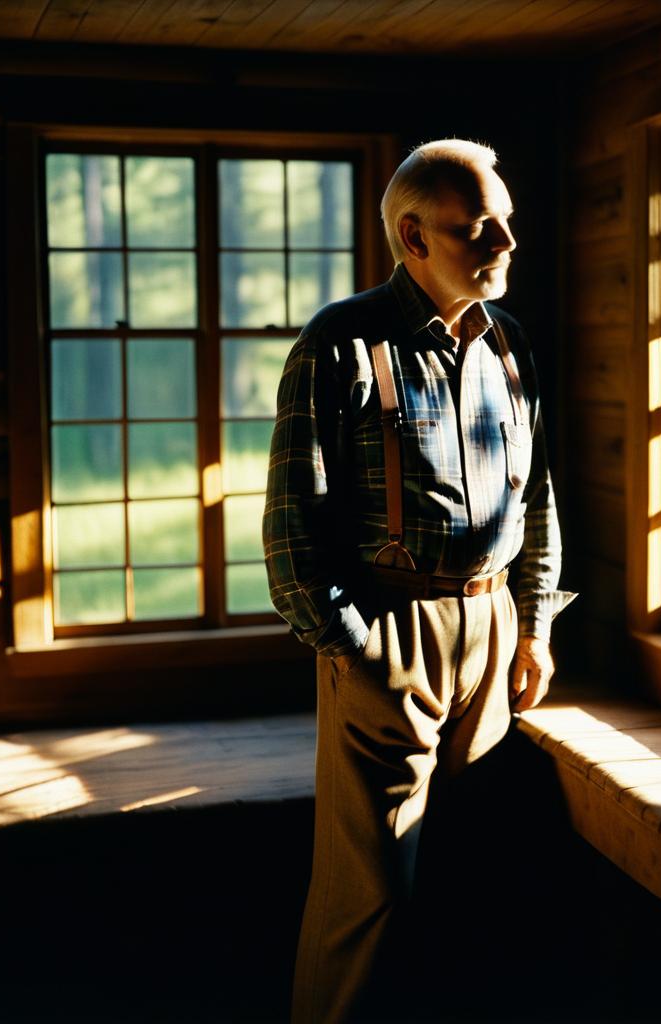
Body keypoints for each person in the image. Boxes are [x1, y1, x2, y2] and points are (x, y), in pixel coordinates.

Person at [264, 138, 574, 1023]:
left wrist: (536, 626)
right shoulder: (342, 345)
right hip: (390, 637)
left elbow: (538, 497)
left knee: (467, 886)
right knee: (370, 901)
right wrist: (356, 651)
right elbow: (290, 538)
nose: (509, 242)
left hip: (494, 633)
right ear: (413, 235)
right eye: (482, 227)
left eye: (507, 221)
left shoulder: (507, 344)